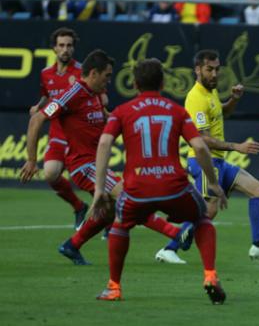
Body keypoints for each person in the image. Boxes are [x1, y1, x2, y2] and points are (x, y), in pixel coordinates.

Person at [20, 49, 191, 266]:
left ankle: (72, 246)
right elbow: (36, 119)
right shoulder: (72, 94)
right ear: (93, 73)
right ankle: (175, 233)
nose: (109, 81)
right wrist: (32, 159)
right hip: (83, 165)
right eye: (106, 75)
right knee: (129, 198)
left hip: (96, 164)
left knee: (109, 212)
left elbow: (107, 121)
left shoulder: (95, 96)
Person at [92, 58, 228, 304]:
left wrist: (99, 189)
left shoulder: (122, 111)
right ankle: (209, 275)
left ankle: (114, 287)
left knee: (120, 225)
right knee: (201, 218)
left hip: (136, 190)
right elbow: (199, 146)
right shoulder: (176, 111)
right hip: (174, 187)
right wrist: (214, 183)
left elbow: (103, 143)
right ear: (163, 82)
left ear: (134, 84)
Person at [160, 49, 259, 263]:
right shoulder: (196, 98)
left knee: (258, 190)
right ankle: (169, 248)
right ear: (197, 70)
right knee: (208, 210)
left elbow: (221, 112)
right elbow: (202, 138)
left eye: (217, 69)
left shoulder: (211, 92)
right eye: (210, 69)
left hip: (218, 160)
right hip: (203, 160)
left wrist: (233, 100)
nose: (215, 74)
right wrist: (236, 146)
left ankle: (258, 245)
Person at [29, 27, 88, 230]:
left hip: (80, 134)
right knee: (51, 174)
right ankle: (79, 207)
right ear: (54, 48)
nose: (65, 49)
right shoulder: (46, 73)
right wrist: (39, 105)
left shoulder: (82, 72)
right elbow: (47, 95)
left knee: (88, 181)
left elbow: (99, 95)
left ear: (74, 48)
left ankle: (105, 219)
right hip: (57, 132)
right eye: (61, 45)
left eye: (69, 45)